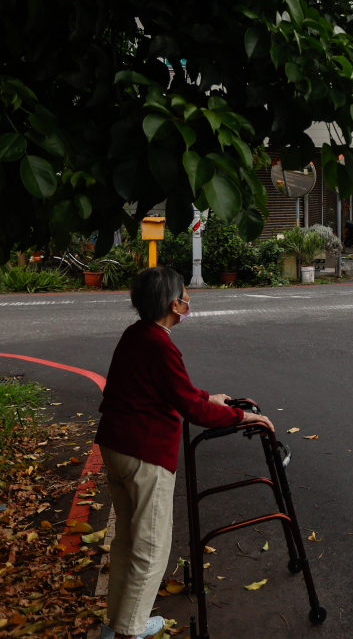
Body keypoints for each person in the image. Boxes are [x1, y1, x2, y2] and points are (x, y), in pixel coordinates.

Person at [95, 267, 274, 639]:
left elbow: (174, 391)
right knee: (151, 547)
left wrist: (209, 398)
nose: (188, 300)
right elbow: (192, 410)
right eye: (184, 295)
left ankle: (118, 623)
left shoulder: (137, 335)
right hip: (145, 452)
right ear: (173, 304)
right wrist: (242, 416)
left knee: (128, 540)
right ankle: (131, 631)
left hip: (117, 445)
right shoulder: (160, 343)